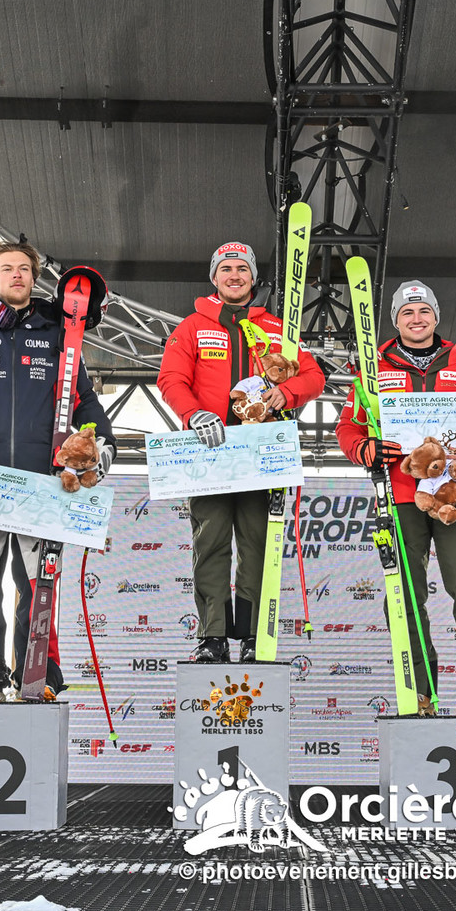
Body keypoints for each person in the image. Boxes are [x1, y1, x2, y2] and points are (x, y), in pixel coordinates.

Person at [0, 241, 115, 702]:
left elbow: (84, 399)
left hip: (42, 478)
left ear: (34, 277)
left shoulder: (58, 336)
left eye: (25, 269)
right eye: (7, 269)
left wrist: (103, 442)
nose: (17, 275)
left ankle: (39, 670)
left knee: (39, 580)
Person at [336, 280, 456, 716]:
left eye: (424, 310)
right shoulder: (373, 371)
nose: (416, 318)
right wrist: (365, 449)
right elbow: (348, 428)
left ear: (436, 317)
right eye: (407, 312)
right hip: (401, 496)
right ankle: (419, 692)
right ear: (396, 320)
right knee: (405, 595)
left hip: (455, 497)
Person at [157, 241, 325, 664]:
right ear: (214, 277)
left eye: (242, 269)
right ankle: (212, 637)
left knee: (258, 546)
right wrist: (194, 413)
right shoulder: (192, 327)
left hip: (261, 454)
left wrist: (285, 393)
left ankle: (253, 637)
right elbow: (171, 379)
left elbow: (314, 377)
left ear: (253, 277)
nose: (234, 276)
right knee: (210, 543)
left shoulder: (276, 329)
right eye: (226, 269)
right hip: (208, 453)